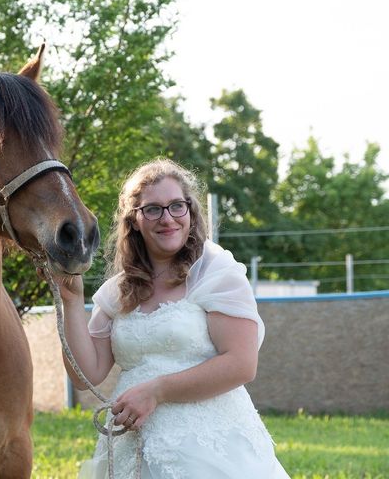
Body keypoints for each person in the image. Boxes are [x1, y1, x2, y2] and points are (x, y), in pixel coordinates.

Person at [56, 158, 289, 478]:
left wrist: (157, 391)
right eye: (152, 209)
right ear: (134, 220)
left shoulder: (217, 274)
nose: (167, 218)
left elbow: (241, 364)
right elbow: (86, 374)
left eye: (176, 206)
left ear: (191, 212)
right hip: (133, 450)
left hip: (208, 449)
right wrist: (71, 302)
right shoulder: (117, 291)